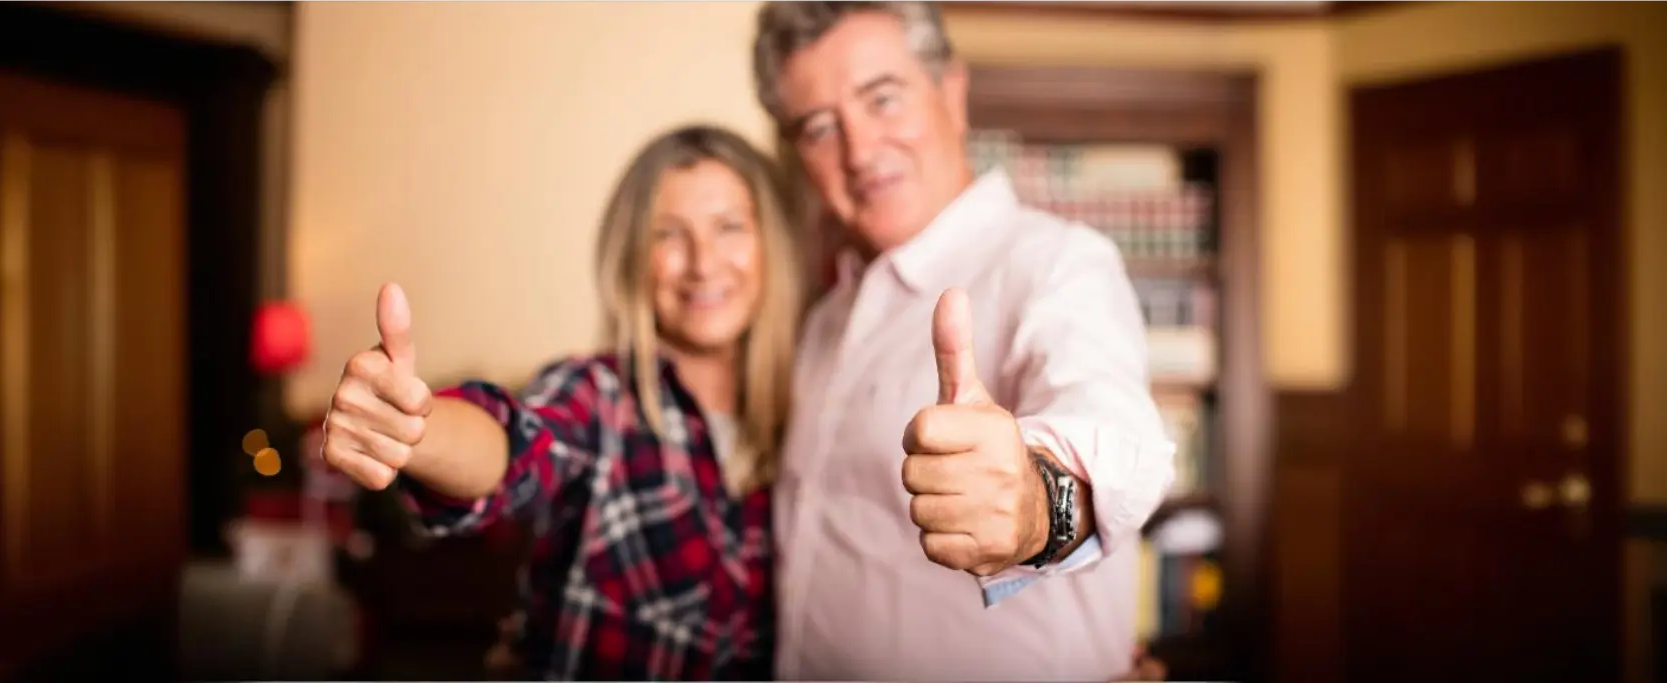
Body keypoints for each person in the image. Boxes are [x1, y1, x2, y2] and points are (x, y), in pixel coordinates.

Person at [752, 1, 1178, 680]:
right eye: (821, 127)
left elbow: (1116, 426)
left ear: (951, 92)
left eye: (882, 98)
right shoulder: (823, 317)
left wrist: (1039, 506)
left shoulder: (1056, 263)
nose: (859, 150)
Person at [318, 124, 805, 680]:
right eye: (668, 234)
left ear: (773, 243)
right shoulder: (597, 396)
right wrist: (417, 432)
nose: (702, 261)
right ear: (632, 257)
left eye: (730, 228)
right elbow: (516, 444)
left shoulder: (809, 409)